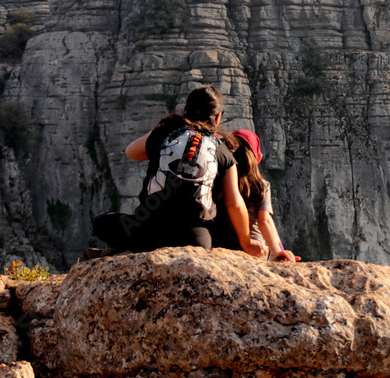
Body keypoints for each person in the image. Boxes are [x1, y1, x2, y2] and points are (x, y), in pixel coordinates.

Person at [92, 85, 268, 258]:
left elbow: (131, 151)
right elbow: (234, 204)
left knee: (102, 222)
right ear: (218, 118)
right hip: (198, 241)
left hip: (149, 234)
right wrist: (247, 242)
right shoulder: (222, 151)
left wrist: (163, 131)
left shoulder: (165, 132)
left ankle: (120, 252)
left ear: (186, 110)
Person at [213, 129, 300, 262]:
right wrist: (277, 252)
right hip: (256, 250)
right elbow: (263, 221)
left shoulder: (220, 182)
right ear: (258, 158)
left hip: (224, 247)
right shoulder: (261, 185)